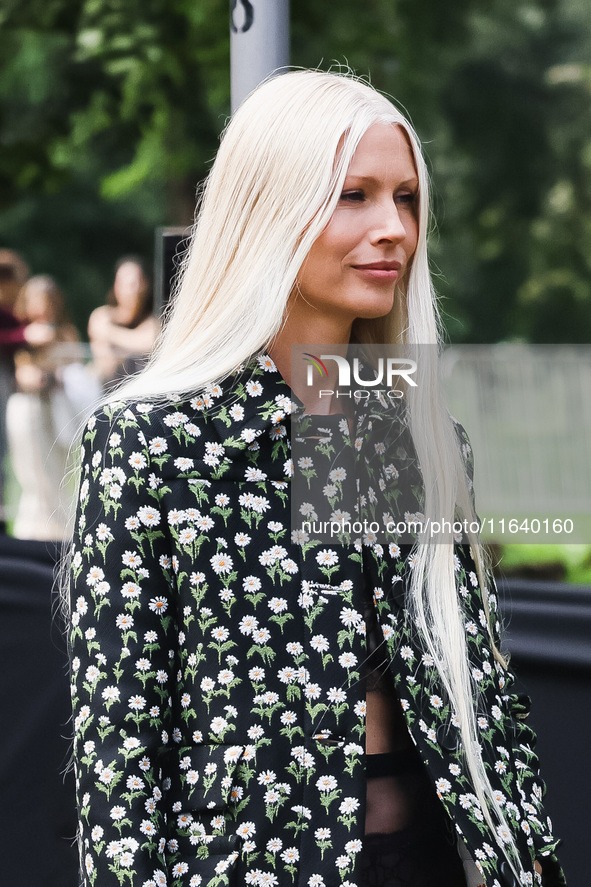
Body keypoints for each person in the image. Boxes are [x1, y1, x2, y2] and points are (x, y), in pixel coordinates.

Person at [67, 71, 565, 887]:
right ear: (266, 210)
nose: (392, 229)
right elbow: (119, 745)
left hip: (436, 859)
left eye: (405, 198)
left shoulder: (417, 436)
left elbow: (478, 682)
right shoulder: (149, 440)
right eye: (352, 195)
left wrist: (534, 854)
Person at [6, 275, 81, 539]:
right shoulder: (23, 332)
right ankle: (38, 532)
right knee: (36, 473)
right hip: (32, 407)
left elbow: (74, 366)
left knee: (59, 470)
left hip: (59, 411)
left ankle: (59, 530)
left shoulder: (64, 332)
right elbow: (24, 374)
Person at [87, 256, 160, 391]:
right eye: (124, 283)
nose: (130, 289)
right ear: (116, 285)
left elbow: (150, 341)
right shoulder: (102, 315)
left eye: (134, 282)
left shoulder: (154, 320)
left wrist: (109, 333)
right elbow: (106, 364)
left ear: (145, 285)